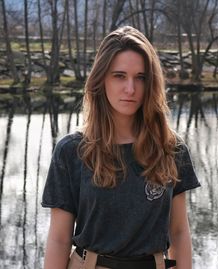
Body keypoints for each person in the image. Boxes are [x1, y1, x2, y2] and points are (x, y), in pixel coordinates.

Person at [41, 26, 201, 269]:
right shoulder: (72, 151)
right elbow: (59, 239)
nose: (130, 89)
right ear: (101, 78)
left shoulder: (171, 148)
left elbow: (179, 232)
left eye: (140, 77)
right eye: (119, 76)